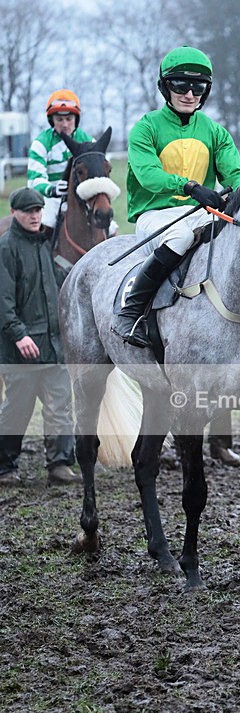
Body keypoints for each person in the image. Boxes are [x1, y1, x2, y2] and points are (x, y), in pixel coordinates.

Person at [111, 45, 240, 348]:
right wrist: (191, 187)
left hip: (200, 213)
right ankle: (131, 310)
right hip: (155, 216)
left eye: (198, 87)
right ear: (165, 88)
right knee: (181, 237)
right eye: (180, 85)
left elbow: (236, 173)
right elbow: (148, 175)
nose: (189, 94)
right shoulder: (146, 128)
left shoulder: (215, 131)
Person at [0, 187, 79, 485]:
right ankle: (5, 467)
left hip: (53, 346)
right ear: (14, 213)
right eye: (28, 211)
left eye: (38, 211)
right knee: (17, 411)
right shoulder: (6, 249)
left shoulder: (45, 245)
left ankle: (59, 464)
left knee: (60, 405)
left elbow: (56, 286)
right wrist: (19, 335)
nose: (35, 216)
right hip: (20, 350)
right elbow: (3, 302)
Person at [26, 89, 93, 233]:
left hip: (82, 195)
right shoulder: (40, 143)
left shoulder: (88, 141)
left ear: (76, 119)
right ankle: (42, 254)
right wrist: (53, 190)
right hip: (52, 198)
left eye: (69, 119)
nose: (65, 124)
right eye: (59, 119)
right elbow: (34, 180)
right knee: (47, 221)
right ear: (52, 121)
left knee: (110, 225)